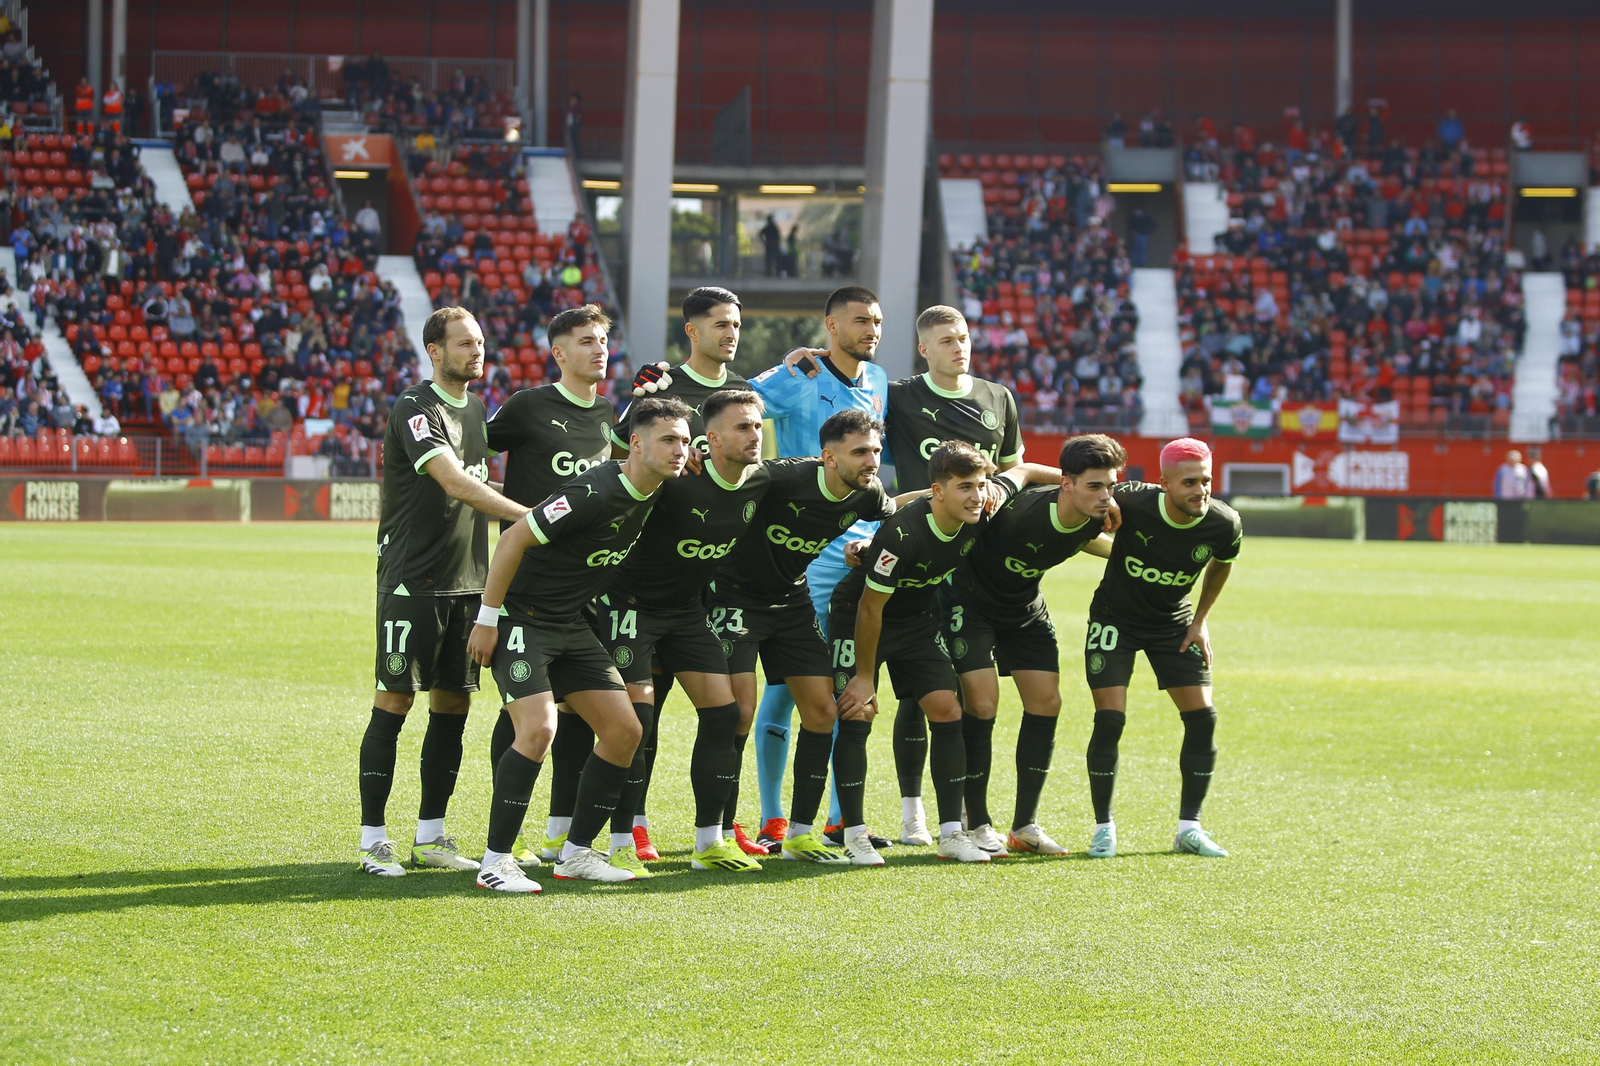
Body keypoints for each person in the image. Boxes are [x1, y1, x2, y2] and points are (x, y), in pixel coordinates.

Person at [466, 396, 693, 891]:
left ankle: (576, 854)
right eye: (669, 440)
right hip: (521, 618)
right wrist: (487, 619)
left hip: (570, 624)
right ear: (636, 444)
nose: (680, 450)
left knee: (625, 731)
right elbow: (513, 538)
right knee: (539, 730)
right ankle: (496, 861)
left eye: (685, 440)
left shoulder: (657, 489)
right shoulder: (594, 489)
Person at [356, 307, 531, 878]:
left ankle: (430, 835)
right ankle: (373, 841)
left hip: (469, 581)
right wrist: (531, 518)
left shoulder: (476, 409)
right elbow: (454, 482)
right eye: (464, 344)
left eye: (479, 342)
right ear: (434, 351)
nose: (477, 352)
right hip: (413, 579)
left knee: (454, 704)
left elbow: (478, 481)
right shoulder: (416, 406)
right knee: (395, 702)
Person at [831, 442, 1061, 864]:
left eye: (981, 484)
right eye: (964, 487)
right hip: (859, 616)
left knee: (947, 710)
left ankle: (953, 833)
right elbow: (869, 608)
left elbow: (1024, 471)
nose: (977, 495)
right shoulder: (901, 535)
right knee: (857, 712)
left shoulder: (983, 505)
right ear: (938, 492)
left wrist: (1092, 490)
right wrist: (863, 677)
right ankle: (854, 833)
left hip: (918, 621)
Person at [710, 409, 903, 864]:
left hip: (791, 601)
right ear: (829, 457)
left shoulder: (869, 493)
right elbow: (724, 479)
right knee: (739, 713)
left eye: (876, 451)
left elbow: (896, 517)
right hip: (735, 596)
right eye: (860, 452)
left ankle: (798, 835)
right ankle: (719, 831)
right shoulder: (781, 477)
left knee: (822, 711)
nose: (872, 461)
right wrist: (700, 456)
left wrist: (870, 543)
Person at [594, 390, 774, 876]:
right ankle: (623, 839)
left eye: (758, 426)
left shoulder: (764, 478)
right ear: (710, 439)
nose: (754, 435)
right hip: (630, 609)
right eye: (743, 427)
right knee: (637, 723)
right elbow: (626, 466)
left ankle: (709, 842)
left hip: (687, 613)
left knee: (725, 715)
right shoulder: (675, 477)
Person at [744, 287, 893, 853]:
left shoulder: (880, 381)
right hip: (801, 556)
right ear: (830, 325)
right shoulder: (799, 373)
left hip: (858, 553)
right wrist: (775, 368)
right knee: (787, 684)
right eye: (860, 321)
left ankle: (838, 817)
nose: (871, 330)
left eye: (876, 321)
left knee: (845, 683)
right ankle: (772, 817)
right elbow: (736, 405)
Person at [608, 286, 750, 859]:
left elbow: (754, 472)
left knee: (731, 710)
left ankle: (721, 828)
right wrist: (633, 405)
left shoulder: (746, 393)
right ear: (692, 330)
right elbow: (621, 454)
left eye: (736, 324)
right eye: (720, 324)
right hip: (647, 577)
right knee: (646, 710)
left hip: (714, 580)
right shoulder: (663, 388)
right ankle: (632, 826)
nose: (731, 334)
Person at [941, 433, 1124, 857]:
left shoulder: (1099, 512)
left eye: (1110, 486)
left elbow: (1082, 537)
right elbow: (1018, 470)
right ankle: (976, 822)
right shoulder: (1015, 509)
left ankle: (1024, 826)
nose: (1105, 496)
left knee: (1047, 702)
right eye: (1094, 486)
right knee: (982, 703)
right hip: (970, 602)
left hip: (1024, 609)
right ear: (1067, 483)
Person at [882, 304, 1023, 847]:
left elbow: (1014, 467)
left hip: (979, 563)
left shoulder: (997, 397)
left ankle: (968, 811)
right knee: (918, 691)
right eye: (945, 340)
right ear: (924, 349)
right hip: (920, 557)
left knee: (970, 690)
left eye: (963, 337)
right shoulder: (899, 396)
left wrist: (999, 487)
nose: (958, 347)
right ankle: (912, 811)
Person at [482, 303, 617, 867]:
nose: (598, 349)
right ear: (558, 353)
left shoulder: (608, 416)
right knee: (527, 717)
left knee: (575, 714)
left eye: (602, 340)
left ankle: (562, 838)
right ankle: (503, 841)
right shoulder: (529, 406)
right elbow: (472, 451)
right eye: (586, 341)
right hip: (527, 588)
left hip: (583, 594)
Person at [1082, 437, 1242, 861]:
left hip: (1174, 624)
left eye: (1206, 480)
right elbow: (1080, 518)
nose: (1200, 490)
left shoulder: (1224, 523)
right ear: (1164, 484)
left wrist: (1200, 620)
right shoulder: (1131, 500)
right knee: (1110, 719)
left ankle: (1190, 829)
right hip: (1115, 618)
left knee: (1203, 718)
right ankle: (1103, 830)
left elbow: (1222, 563)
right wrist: (1113, 539)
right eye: (1189, 482)